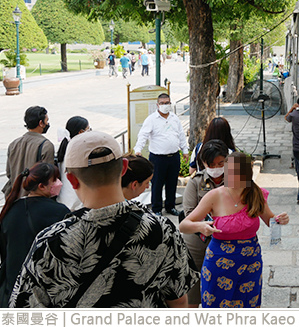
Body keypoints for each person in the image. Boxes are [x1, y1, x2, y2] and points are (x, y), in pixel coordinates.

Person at [10, 131, 198, 308]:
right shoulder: (162, 229)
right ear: (124, 167)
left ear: (72, 180)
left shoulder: (50, 242)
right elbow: (178, 302)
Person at [180, 152, 289, 308]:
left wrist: (280, 219)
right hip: (219, 262)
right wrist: (201, 226)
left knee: (249, 305)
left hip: (250, 261)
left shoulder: (255, 193)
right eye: (229, 172)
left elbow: (271, 220)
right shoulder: (214, 196)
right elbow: (184, 225)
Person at [0, 162, 69, 307]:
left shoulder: (9, 210)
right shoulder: (60, 212)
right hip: (44, 293)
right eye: (55, 180)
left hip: (11, 291)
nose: (59, 183)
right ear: (41, 186)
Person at [181, 139, 229, 308]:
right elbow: (188, 215)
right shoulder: (196, 182)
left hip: (226, 242)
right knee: (193, 289)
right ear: (203, 163)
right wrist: (205, 225)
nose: (216, 168)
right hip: (197, 242)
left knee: (224, 287)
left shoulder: (236, 182)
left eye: (220, 163)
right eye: (211, 164)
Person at [134, 93, 189, 216]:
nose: (165, 105)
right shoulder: (151, 119)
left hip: (174, 157)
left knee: (172, 183)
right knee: (157, 184)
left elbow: (180, 135)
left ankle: (170, 206)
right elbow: (143, 135)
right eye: (162, 103)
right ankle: (157, 209)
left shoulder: (174, 118)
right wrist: (138, 149)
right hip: (158, 158)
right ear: (157, 105)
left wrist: (185, 150)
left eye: (167, 103)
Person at [4, 106, 54, 200]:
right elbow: (49, 176)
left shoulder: (13, 144)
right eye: (47, 120)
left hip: (15, 199)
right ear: (41, 123)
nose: (48, 123)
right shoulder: (46, 145)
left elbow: (9, 173)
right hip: (35, 200)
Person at [56, 116, 90, 210]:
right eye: (88, 129)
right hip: (75, 201)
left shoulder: (65, 145)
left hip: (64, 197)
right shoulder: (76, 149)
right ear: (81, 132)